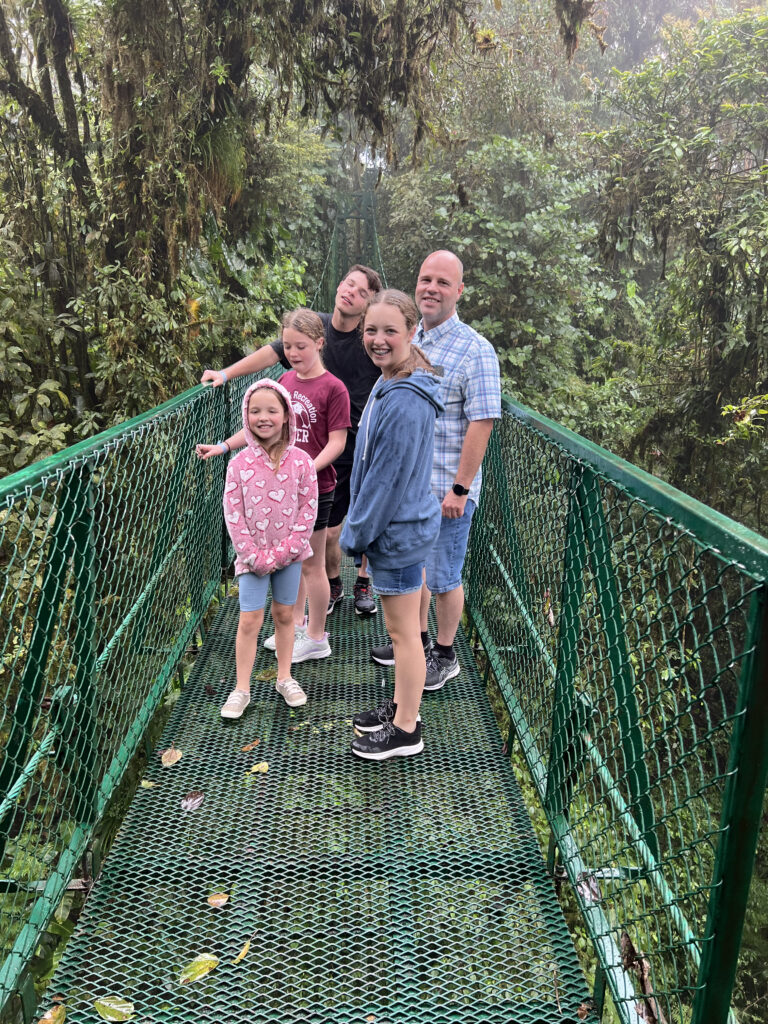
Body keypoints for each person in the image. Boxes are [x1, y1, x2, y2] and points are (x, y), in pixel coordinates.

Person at [199, 266, 382, 617]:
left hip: (358, 443)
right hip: (311, 451)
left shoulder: (370, 337)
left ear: (369, 302)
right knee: (326, 536)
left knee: (364, 519)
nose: (349, 292)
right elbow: (270, 354)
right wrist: (224, 375)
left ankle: (361, 582)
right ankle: (329, 588)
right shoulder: (308, 336)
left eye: (360, 291)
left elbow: (399, 355)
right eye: (347, 283)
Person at [369, 251, 501, 693]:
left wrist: (461, 489)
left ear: (459, 291)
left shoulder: (476, 350)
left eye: (443, 282)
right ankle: (416, 642)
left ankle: (444, 655)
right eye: (425, 279)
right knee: (415, 570)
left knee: (444, 576)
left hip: (448, 489)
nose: (431, 288)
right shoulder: (410, 339)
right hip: (410, 490)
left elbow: (482, 422)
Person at [340, 290, 444, 760]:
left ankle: (406, 730)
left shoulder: (403, 400)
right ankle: (404, 707)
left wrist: (354, 535)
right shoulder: (396, 381)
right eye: (371, 330)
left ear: (411, 332)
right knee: (407, 630)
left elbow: (385, 479)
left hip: (397, 532)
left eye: (389, 331)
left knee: (403, 635)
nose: (378, 340)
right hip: (408, 526)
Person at [219, 379, 318, 718]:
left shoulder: (302, 462)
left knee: (285, 614)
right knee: (250, 619)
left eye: (272, 410)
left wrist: (284, 553)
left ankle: (284, 676)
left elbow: (308, 510)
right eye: (255, 410)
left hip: (289, 556)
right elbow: (233, 513)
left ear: (287, 415)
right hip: (252, 560)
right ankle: (241, 688)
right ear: (246, 416)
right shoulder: (239, 464)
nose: (263, 417)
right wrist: (253, 556)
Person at [257, 309, 349, 662]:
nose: (294, 353)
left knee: (310, 561)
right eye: (288, 346)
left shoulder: (333, 388)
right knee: (291, 559)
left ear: (320, 343)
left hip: (317, 486)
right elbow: (263, 426)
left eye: (301, 346)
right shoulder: (284, 381)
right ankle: (295, 626)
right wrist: (224, 447)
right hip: (285, 487)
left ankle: (316, 636)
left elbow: (337, 442)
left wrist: (306, 468)